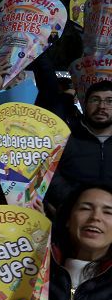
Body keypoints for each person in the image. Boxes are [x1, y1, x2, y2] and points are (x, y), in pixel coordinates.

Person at [47, 81, 112, 211]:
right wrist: (72, 202)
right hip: (69, 215)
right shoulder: (64, 137)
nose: (102, 106)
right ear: (84, 104)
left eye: (109, 101)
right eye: (95, 100)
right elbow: (50, 172)